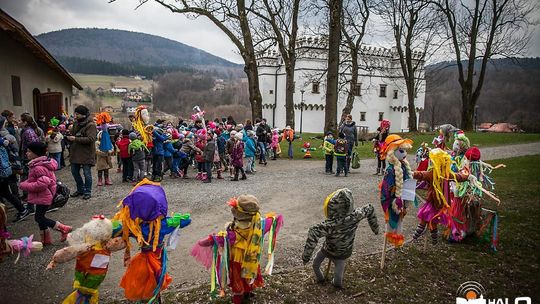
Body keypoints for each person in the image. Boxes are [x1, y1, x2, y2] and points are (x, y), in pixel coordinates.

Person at [192, 195, 283, 303]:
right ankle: (248, 293)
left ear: (238, 216)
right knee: (249, 275)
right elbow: (275, 219)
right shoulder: (261, 225)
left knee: (237, 280)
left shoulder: (232, 234)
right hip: (252, 259)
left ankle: (238, 299)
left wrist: (204, 241)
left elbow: (214, 240)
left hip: (237, 261)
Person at [114, 180, 191, 303]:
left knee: (144, 285)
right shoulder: (163, 224)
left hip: (142, 260)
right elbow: (187, 220)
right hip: (157, 259)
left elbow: (116, 229)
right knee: (155, 283)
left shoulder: (134, 226)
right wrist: (174, 220)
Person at [302, 189, 379, 288]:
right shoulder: (356, 216)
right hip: (343, 252)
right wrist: (375, 228)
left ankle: (321, 279)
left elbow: (313, 232)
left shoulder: (329, 225)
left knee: (315, 265)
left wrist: (306, 257)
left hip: (327, 249)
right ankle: (333, 282)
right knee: (338, 277)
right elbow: (370, 208)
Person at [47, 216, 126, 304]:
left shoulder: (106, 244)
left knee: (88, 295)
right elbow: (69, 252)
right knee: (83, 296)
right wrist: (56, 259)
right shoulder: (87, 247)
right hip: (86, 277)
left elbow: (119, 243)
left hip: (95, 279)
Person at [412, 148, 473, 245]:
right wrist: (466, 175)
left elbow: (459, 177)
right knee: (429, 219)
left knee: (429, 220)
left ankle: (425, 237)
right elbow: (421, 175)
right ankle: (423, 236)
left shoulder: (443, 174)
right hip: (436, 202)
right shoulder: (437, 174)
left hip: (437, 203)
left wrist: (466, 174)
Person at [19, 142, 72, 245]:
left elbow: (42, 184)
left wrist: (24, 185)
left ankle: (63, 228)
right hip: (43, 195)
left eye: (29, 151)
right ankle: (46, 239)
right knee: (40, 217)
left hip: (44, 195)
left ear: (36, 153)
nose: (27, 153)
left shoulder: (38, 167)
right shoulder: (40, 164)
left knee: (39, 217)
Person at [378, 134, 413, 247]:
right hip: (393, 201)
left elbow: (408, 182)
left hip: (401, 198)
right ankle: (391, 239)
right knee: (392, 221)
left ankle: (397, 241)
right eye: (400, 150)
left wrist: (407, 197)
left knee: (400, 221)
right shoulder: (390, 170)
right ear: (392, 152)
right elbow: (385, 189)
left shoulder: (403, 166)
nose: (404, 153)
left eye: (404, 150)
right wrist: (389, 201)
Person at [68, 105, 97, 200]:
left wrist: (76, 139)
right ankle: (80, 189)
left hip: (86, 153)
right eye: (75, 113)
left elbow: (91, 139)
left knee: (87, 173)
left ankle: (87, 191)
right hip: (75, 152)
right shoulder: (76, 123)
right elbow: (74, 134)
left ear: (83, 115)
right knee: (74, 172)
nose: (75, 115)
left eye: (77, 114)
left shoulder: (91, 125)